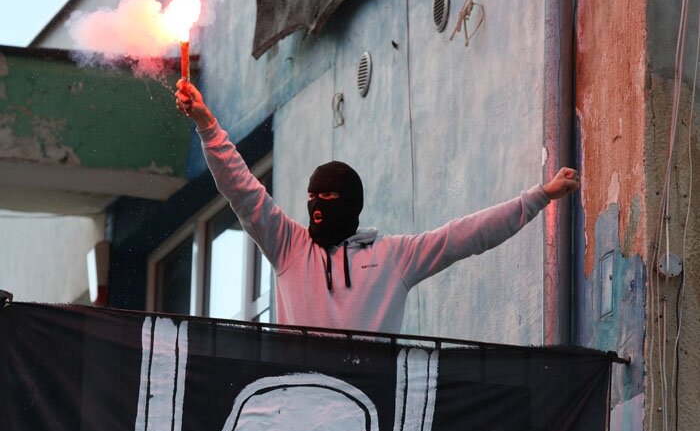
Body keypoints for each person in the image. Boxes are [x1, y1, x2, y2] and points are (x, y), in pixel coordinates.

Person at [175, 80, 580, 334]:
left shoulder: (393, 257)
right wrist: (207, 125)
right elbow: (242, 190)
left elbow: (465, 236)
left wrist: (539, 196)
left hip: (369, 412)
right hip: (300, 411)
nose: (317, 206)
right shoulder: (288, 246)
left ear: (350, 204)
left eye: (328, 198)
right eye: (312, 198)